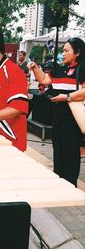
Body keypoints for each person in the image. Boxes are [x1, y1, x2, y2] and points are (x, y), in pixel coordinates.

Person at [27, 37, 85, 187]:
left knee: (70, 152)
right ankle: (59, 181)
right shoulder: (60, 70)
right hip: (57, 119)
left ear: (77, 52)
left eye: (67, 51)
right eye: (63, 51)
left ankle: (70, 184)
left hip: (73, 120)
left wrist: (66, 97)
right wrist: (35, 68)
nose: (63, 54)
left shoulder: (82, 69)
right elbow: (45, 80)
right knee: (58, 149)